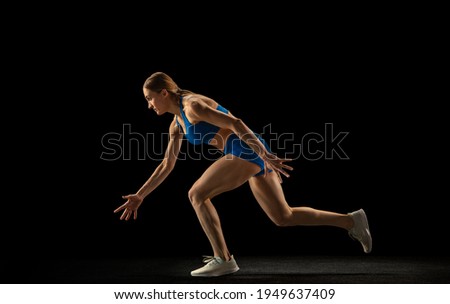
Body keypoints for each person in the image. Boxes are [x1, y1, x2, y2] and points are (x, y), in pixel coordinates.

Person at [114, 71, 372, 277]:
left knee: (197, 194)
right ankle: (351, 221)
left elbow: (235, 123)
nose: (148, 105)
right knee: (283, 216)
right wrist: (141, 194)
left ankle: (223, 259)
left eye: (149, 98)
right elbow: (166, 165)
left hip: (246, 148)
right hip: (251, 151)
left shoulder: (192, 106)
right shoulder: (176, 123)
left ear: (163, 92)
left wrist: (264, 153)